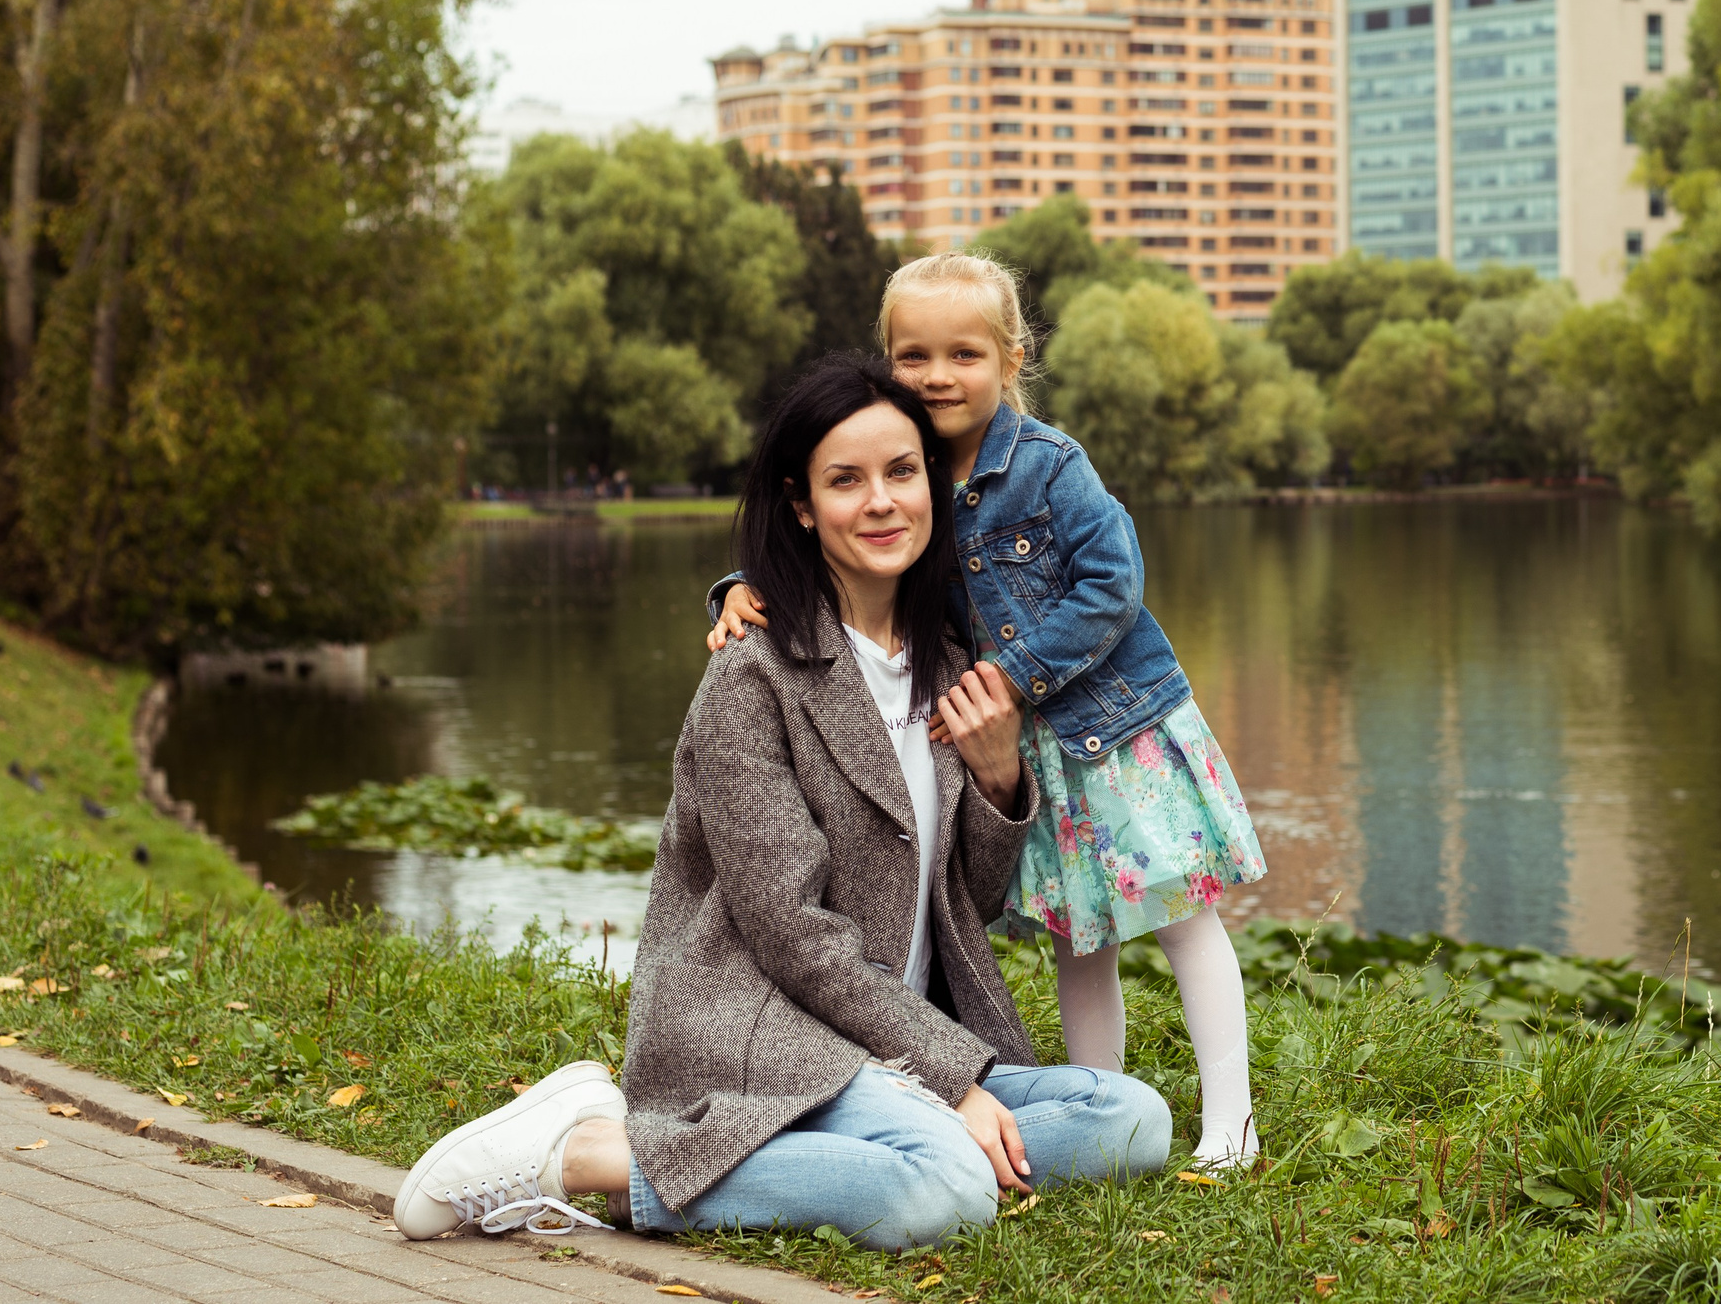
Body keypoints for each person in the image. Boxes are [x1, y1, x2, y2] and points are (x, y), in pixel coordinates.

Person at [394, 354, 1170, 1249]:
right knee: (947, 1189)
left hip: (902, 1035)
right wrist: (952, 1081)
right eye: (846, 480)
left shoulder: (953, 661)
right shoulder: (753, 675)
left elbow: (970, 902)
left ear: (931, 484)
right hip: (772, 1030)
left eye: (902, 471)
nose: (881, 501)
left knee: (1132, 1118)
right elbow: (793, 935)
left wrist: (998, 778)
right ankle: (590, 1156)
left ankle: (797, 1156)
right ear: (802, 503)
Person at [707, 254, 1267, 1165]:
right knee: (1078, 937)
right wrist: (740, 585)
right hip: (1026, 751)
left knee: (1182, 920)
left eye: (963, 354)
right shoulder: (911, 470)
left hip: (1116, 731)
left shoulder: (1047, 464)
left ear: (1011, 359)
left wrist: (1011, 674)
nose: (937, 375)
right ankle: (1100, 1102)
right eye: (914, 355)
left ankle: (1231, 1125)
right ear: (887, 360)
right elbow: (835, 538)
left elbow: (1114, 582)